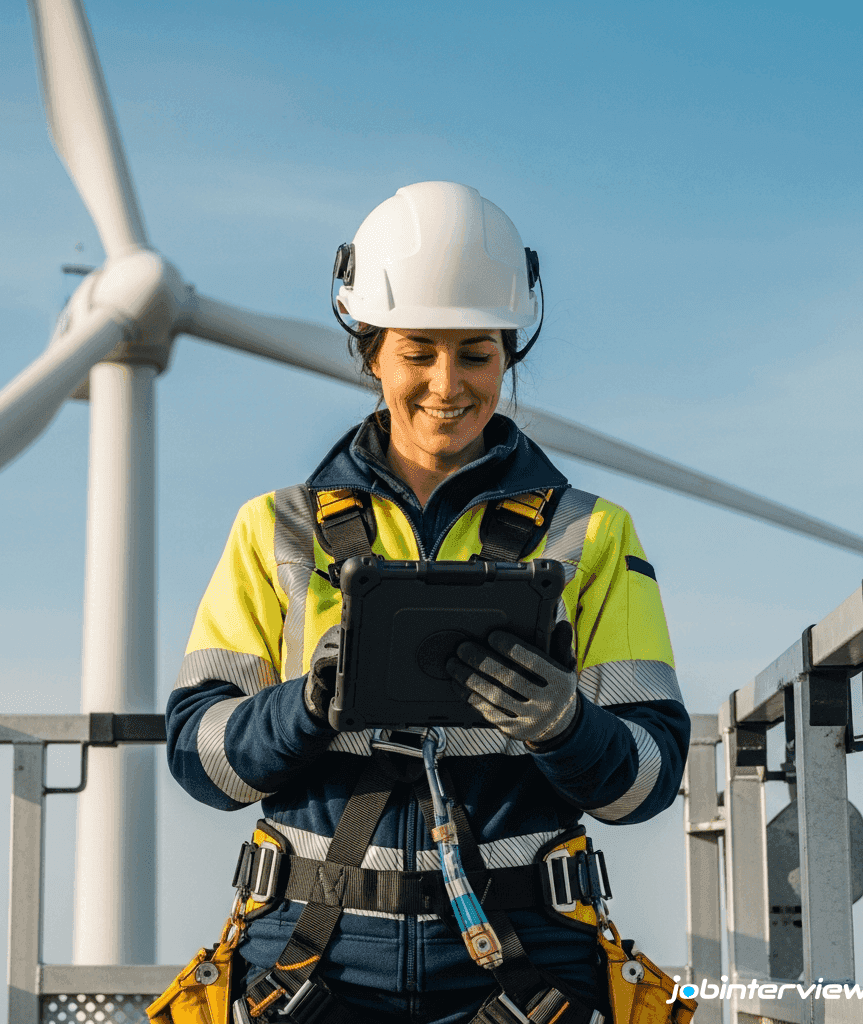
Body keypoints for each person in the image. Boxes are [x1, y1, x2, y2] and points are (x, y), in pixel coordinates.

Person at [166, 181, 691, 1024]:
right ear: (369, 351)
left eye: (476, 352)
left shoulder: (593, 533)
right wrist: (305, 708)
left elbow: (648, 781)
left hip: (524, 963)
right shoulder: (275, 529)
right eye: (418, 350)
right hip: (312, 957)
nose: (448, 383)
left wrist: (566, 726)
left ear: (510, 351)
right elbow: (199, 757)